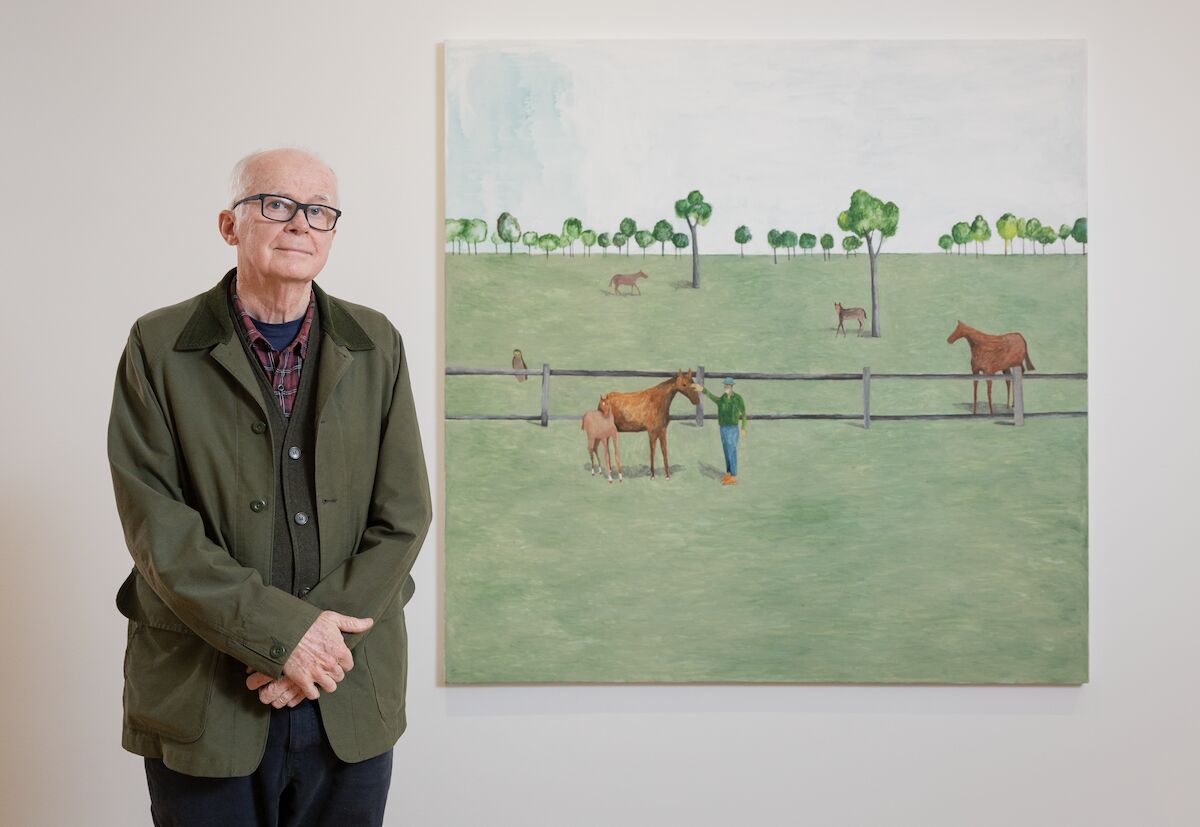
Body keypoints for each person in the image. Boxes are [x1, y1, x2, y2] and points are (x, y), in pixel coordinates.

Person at [107, 147, 432, 825]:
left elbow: (403, 517)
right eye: (276, 205)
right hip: (204, 697)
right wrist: (283, 637)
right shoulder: (157, 346)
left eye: (319, 211)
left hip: (348, 693)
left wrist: (315, 644)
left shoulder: (379, 343)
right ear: (230, 225)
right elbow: (159, 531)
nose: (299, 225)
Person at [693, 377, 747, 485]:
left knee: (732, 451)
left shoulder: (738, 399)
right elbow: (713, 398)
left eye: (727, 386)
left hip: (732, 428)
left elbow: (744, 414)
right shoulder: (723, 398)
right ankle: (728, 473)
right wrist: (702, 389)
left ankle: (733, 476)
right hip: (723, 428)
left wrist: (743, 428)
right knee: (726, 451)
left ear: (731, 386)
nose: (725, 387)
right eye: (725, 385)